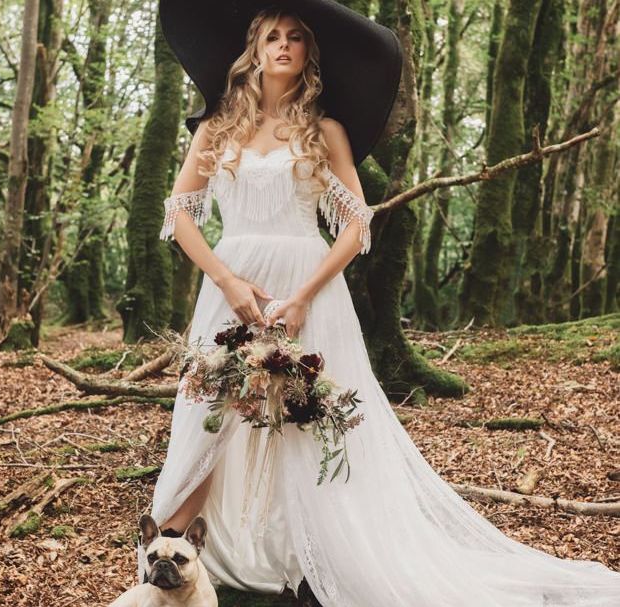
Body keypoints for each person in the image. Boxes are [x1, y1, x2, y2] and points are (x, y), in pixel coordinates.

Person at [138, 6, 620, 606]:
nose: (282, 47)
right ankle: (168, 560)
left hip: (305, 287)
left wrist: (303, 296)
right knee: (208, 413)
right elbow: (179, 215)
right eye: (272, 37)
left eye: (294, 39)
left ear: (309, 56)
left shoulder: (326, 131)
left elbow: (354, 226)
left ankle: (323, 556)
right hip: (228, 285)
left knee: (312, 418)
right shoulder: (217, 127)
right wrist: (230, 282)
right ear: (253, 49)